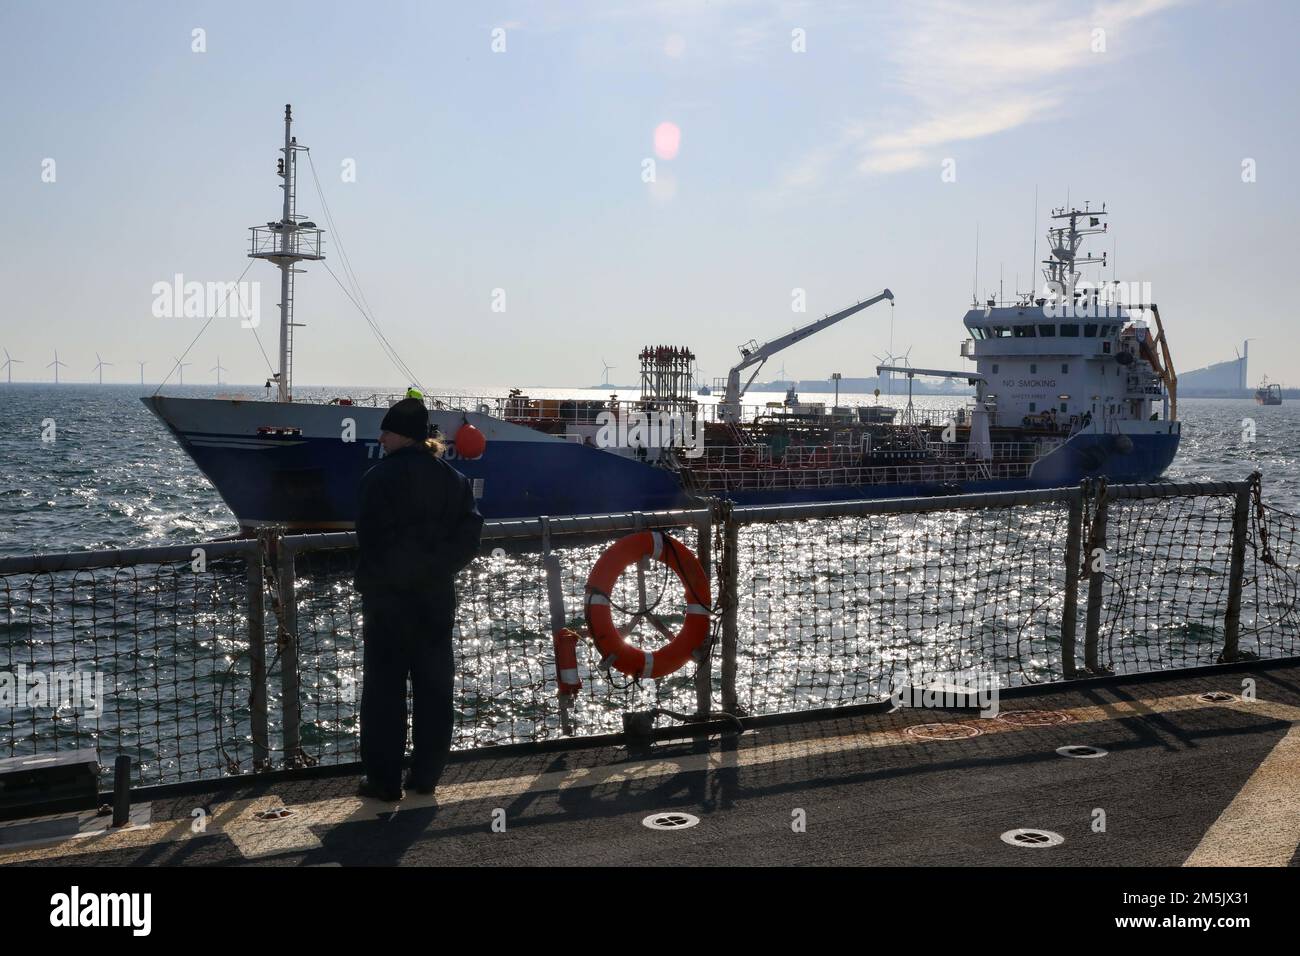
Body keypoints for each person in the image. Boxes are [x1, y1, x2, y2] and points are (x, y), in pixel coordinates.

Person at [354, 397, 484, 801]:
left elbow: (369, 540)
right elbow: (469, 538)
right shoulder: (455, 481)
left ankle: (383, 781)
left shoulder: (377, 478)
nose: (381, 437)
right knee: (434, 688)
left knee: (384, 692)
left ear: (403, 436)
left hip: (389, 603)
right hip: (434, 600)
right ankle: (426, 775)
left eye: (387, 431)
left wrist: (394, 575)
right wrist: (434, 570)